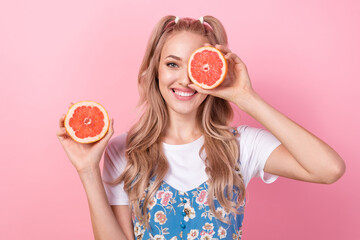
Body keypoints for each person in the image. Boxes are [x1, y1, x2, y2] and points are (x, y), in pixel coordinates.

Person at [56, 15, 346, 240]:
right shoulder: (125, 150)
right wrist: (87, 170)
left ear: (213, 72)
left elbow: (329, 169)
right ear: (155, 72)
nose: (184, 80)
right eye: (172, 64)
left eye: (197, 65)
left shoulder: (241, 145)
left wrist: (247, 97)